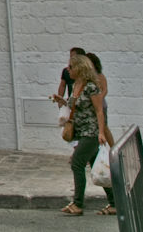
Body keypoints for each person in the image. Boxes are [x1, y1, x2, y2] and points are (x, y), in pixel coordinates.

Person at [61, 54, 114, 216]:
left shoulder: (91, 87)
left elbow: (99, 110)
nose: (68, 70)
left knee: (77, 164)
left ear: (80, 68)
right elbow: (75, 106)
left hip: (90, 132)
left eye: (71, 67)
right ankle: (114, 203)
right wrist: (61, 100)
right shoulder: (76, 84)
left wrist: (101, 132)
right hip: (81, 131)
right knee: (98, 168)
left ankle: (78, 204)